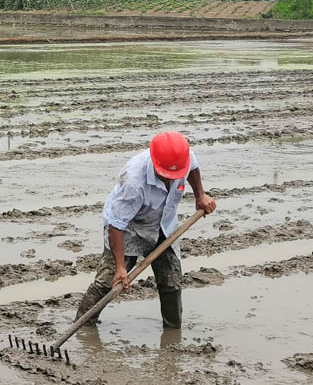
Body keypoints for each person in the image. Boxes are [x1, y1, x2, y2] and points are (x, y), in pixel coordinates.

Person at [74, 131, 216, 329]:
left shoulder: (183, 158)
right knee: (107, 282)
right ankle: (83, 327)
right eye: (165, 176)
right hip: (130, 228)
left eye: (174, 176)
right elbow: (117, 224)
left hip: (163, 224)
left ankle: (172, 332)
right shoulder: (133, 180)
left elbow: (193, 167)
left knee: (171, 281)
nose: (169, 180)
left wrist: (200, 195)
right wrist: (122, 268)